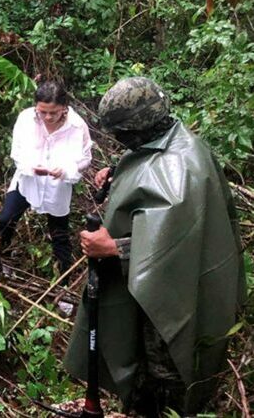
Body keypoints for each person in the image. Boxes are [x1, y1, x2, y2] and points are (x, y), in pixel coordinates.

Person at [64, 77, 245, 416]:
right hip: (155, 289)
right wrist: (121, 170)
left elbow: (179, 244)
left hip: (174, 298)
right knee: (143, 364)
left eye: (124, 137)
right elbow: (148, 174)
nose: (121, 142)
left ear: (139, 128)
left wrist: (114, 247)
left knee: (167, 371)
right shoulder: (172, 139)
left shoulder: (180, 166)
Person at [0, 81, 92, 281]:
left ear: (64, 108)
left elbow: (85, 159)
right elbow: (17, 152)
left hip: (58, 187)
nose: (47, 117)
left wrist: (66, 171)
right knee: (5, 220)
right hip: (27, 182)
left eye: (53, 113)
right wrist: (30, 167)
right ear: (36, 107)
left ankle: (63, 282)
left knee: (59, 235)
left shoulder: (77, 125)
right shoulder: (25, 119)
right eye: (42, 112)